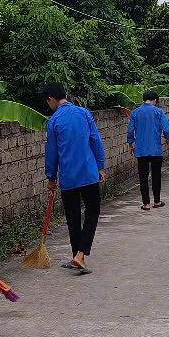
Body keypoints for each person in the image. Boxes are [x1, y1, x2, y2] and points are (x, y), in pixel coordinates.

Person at [42, 82, 106, 274]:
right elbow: (95, 140)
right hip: (89, 173)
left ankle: (78, 256)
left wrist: (51, 177)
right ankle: (80, 256)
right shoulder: (83, 113)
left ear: (51, 99)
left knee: (73, 217)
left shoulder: (53, 121)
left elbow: (51, 153)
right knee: (92, 212)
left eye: (48, 102)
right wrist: (100, 166)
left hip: (68, 177)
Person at [127, 90, 169, 211]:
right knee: (156, 176)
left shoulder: (135, 112)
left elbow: (130, 131)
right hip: (156, 150)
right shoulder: (158, 111)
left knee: (143, 177)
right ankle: (157, 201)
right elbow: (166, 129)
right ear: (155, 100)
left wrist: (130, 144)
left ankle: (146, 204)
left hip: (141, 151)